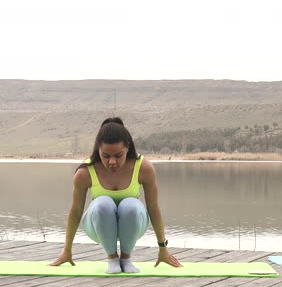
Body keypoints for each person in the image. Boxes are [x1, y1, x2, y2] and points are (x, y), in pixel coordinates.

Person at [49, 117, 182, 274]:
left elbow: (153, 208)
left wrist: (162, 248)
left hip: (133, 225)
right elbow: (76, 211)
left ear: (127, 147)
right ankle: (112, 259)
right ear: (98, 149)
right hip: (97, 226)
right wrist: (67, 250)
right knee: (103, 203)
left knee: (131, 205)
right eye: (106, 156)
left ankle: (126, 259)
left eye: (118, 155)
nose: (112, 161)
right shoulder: (84, 172)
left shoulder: (143, 167)